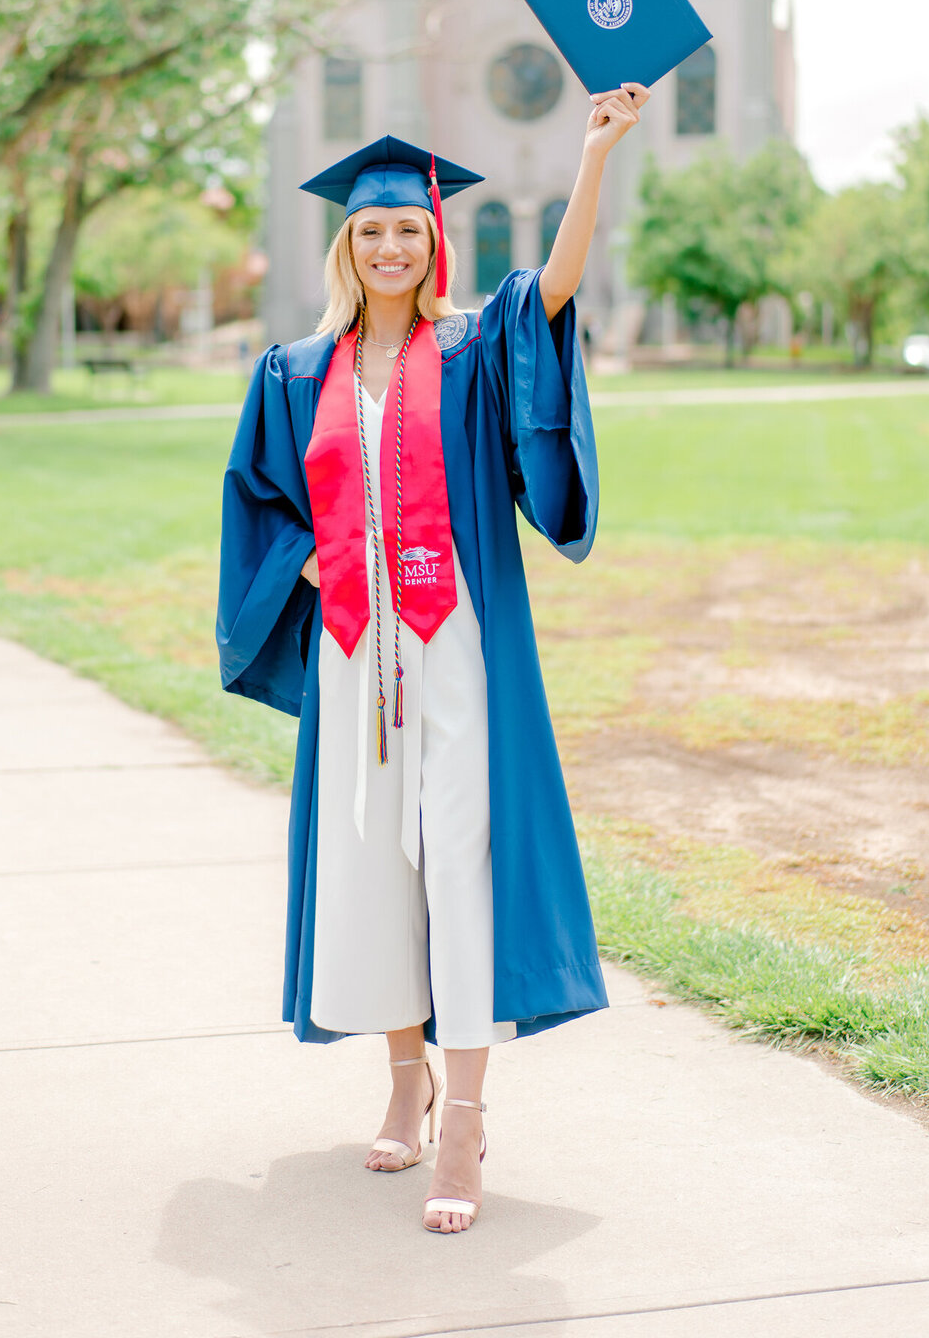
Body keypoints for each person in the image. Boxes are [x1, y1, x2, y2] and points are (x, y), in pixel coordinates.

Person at [217, 83, 648, 1233]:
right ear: (347, 247)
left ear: (434, 239)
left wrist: (594, 154)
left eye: (410, 227)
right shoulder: (296, 373)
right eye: (372, 230)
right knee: (369, 867)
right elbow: (260, 505)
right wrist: (309, 567)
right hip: (358, 658)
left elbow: (553, 292)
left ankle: (463, 1118)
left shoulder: (471, 352)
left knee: (457, 860)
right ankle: (400, 1084)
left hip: (455, 648)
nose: (393, 244)